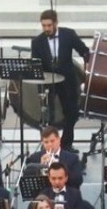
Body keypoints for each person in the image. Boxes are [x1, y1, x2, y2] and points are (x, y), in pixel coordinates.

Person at [30, 10, 90, 149]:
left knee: (72, 113)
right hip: (47, 82)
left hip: (67, 80)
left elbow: (84, 51)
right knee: (47, 115)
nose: (46, 28)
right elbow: (36, 64)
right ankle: (49, 144)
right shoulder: (37, 42)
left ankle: (66, 145)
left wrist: (88, 65)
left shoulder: (68, 34)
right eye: (43, 25)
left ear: (56, 23)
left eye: (49, 25)